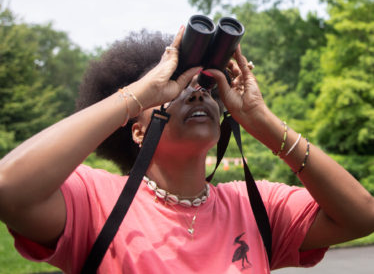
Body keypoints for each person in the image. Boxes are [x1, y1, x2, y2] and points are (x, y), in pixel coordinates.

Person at [0, 25, 373, 274]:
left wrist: (262, 121)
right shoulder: (96, 201)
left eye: (207, 88)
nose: (197, 91)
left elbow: (361, 216)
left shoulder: (257, 205)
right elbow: (8, 188)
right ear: (136, 131)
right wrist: (139, 93)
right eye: (179, 87)